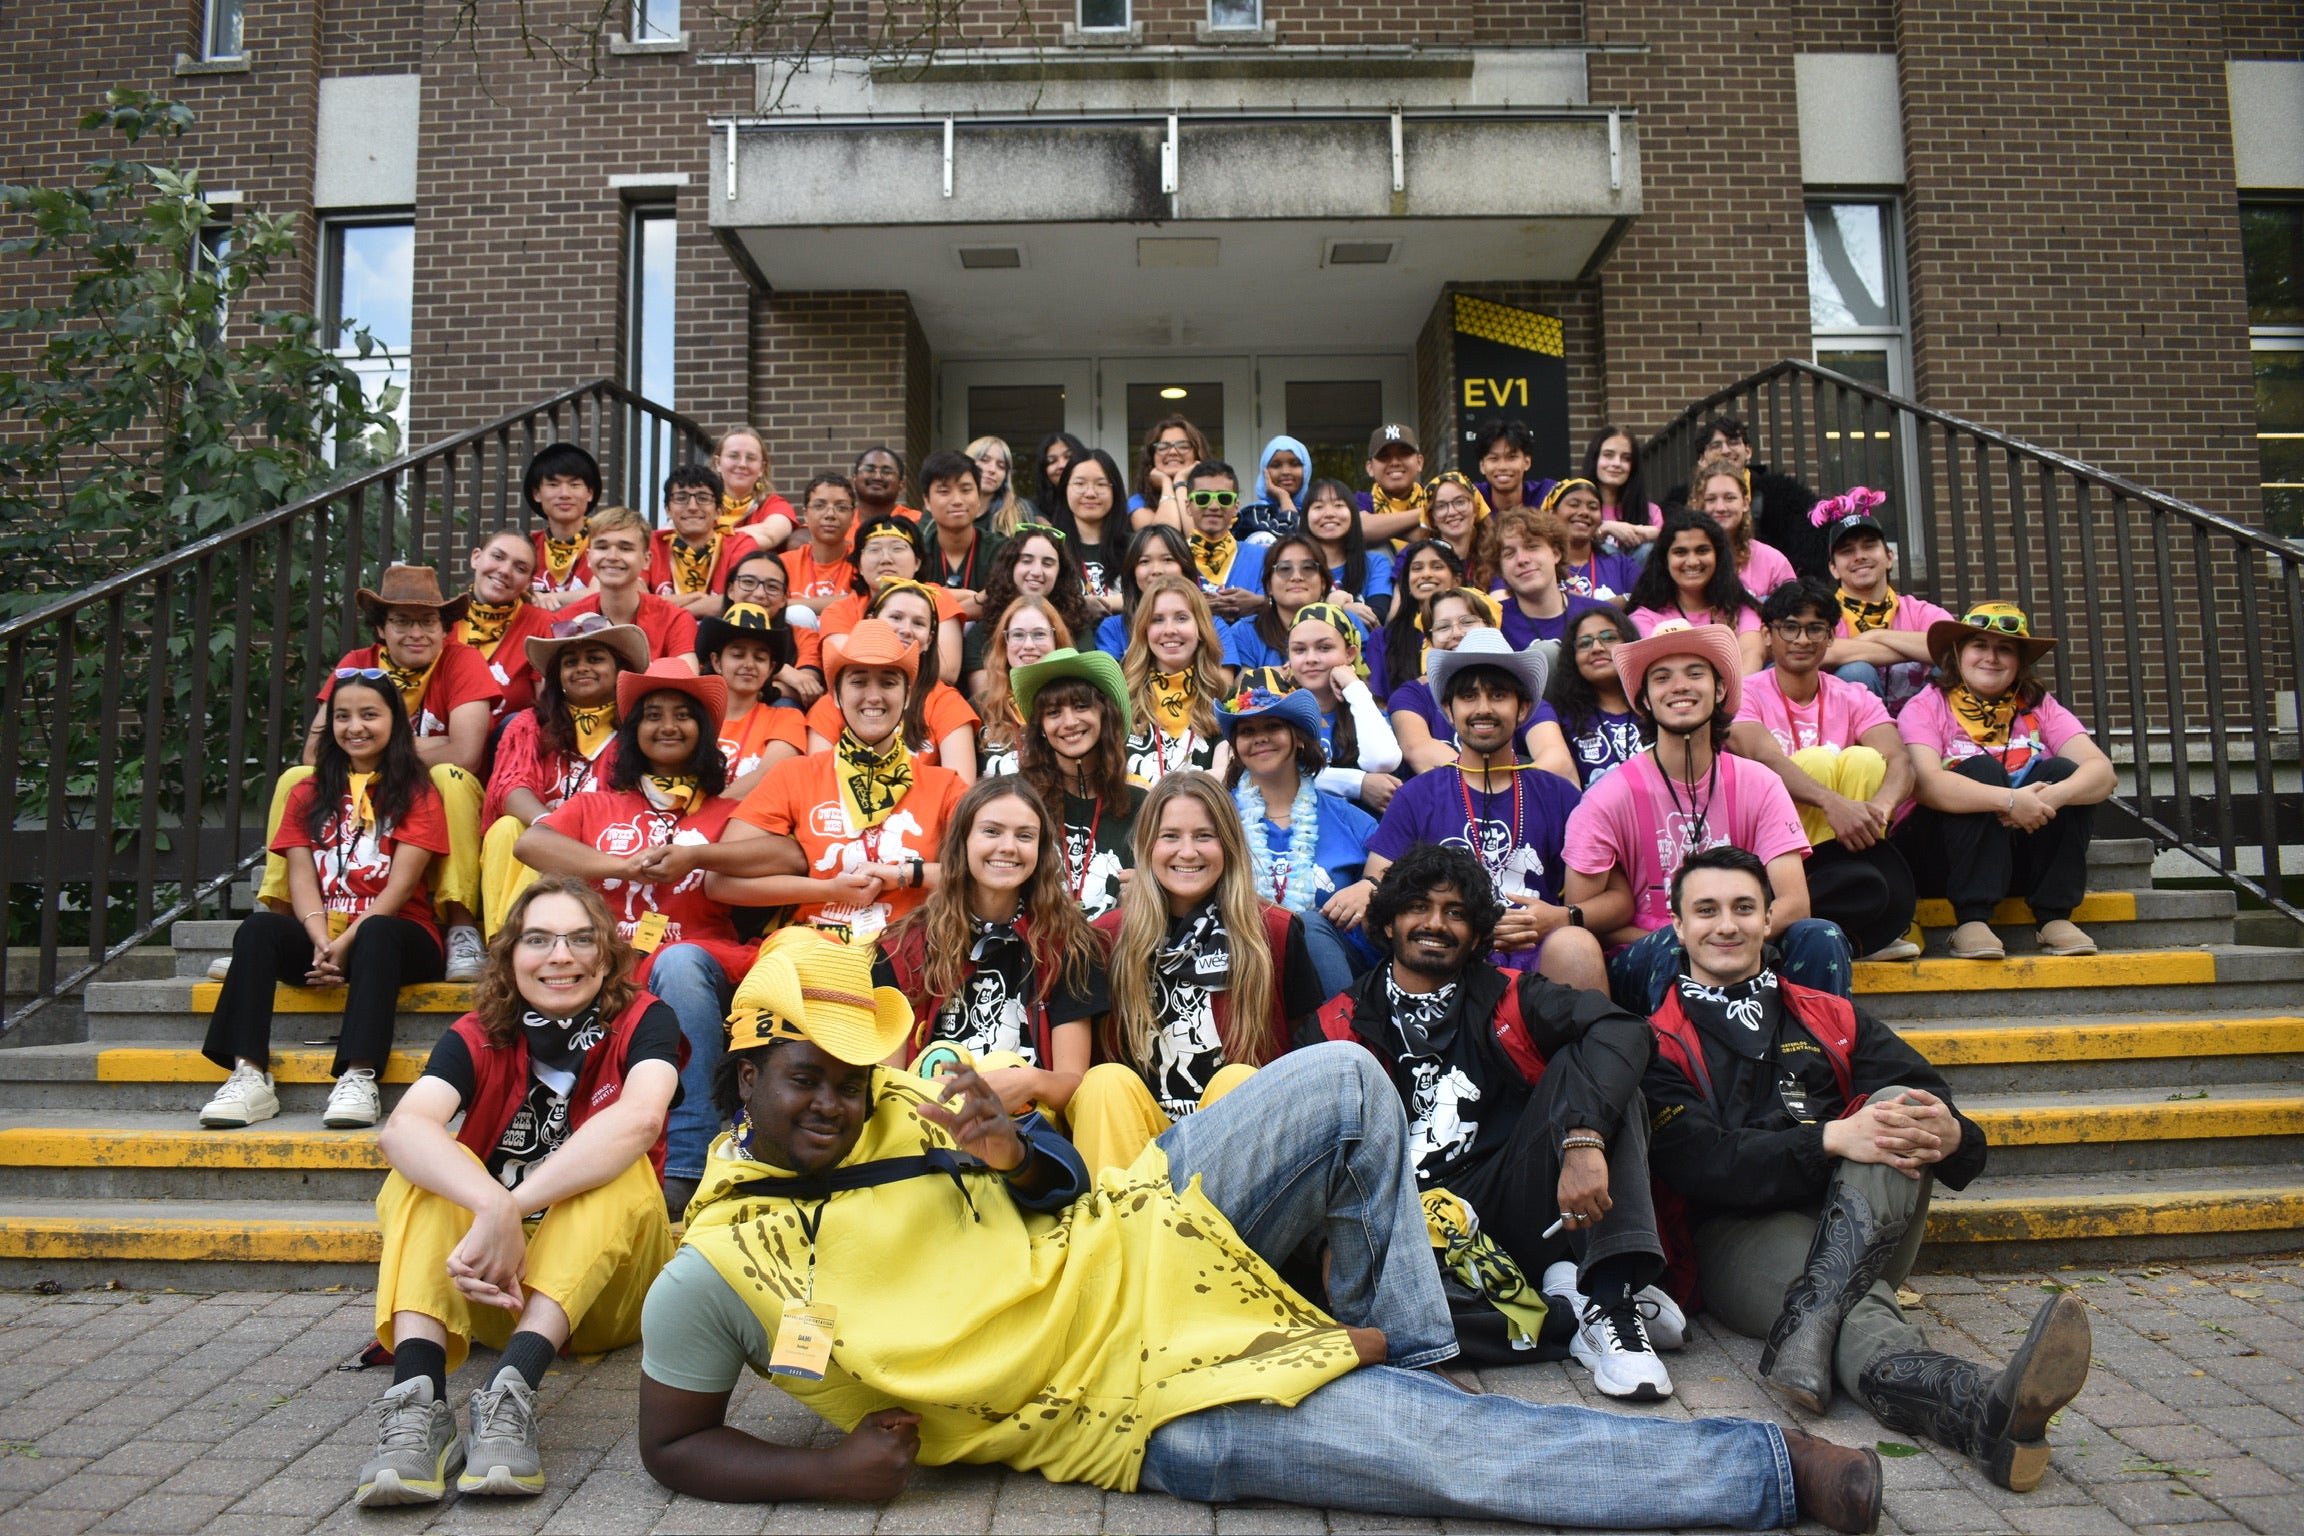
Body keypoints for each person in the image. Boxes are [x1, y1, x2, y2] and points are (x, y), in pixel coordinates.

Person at [631, 941, 1886, 1535]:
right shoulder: (718, 1269)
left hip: (1149, 1233)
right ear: (742, 1068)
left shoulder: (917, 1095)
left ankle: (1392, 1349)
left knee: (1343, 1072)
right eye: (807, 1078)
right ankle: (1775, 1474)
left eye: (852, 1077)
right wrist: (821, 1474)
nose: (838, 1104)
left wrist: (1025, 1156)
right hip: (1130, 1398)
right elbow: (674, 1445)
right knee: (1457, 1464)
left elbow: (1067, 1188)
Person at [1643, 846, 2089, 1493]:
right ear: (1678, 927)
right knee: (1858, 1307)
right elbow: (1703, 1165)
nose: (1727, 925)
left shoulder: (1830, 1017)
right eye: (1706, 910)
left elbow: (1941, 1112)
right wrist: (1829, 1138)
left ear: (1770, 918)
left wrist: (1951, 1129)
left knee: (1899, 1104)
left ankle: (1811, 1322)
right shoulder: (1658, 1042)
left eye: (1744, 907)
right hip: (1737, 1237)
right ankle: (1977, 1407)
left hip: (1866, 1219)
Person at [1307, 844, 1678, 1398]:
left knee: (1599, 1071)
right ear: (1387, 923)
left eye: (1456, 912)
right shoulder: (1335, 1023)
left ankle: (1610, 1300)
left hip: (1514, 1205)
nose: (1435, 923)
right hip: (1409, 1228)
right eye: (1418, 907)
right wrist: (1325, 1245)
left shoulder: (1511, 995)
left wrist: (1582, 1141)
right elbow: (1314, 1158)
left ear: (1480, 934)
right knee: (1391, 1325)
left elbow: (1624, 1029)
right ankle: (1569, 1308)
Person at [356, 878, 680, 1508]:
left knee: (620, 1167)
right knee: (420, 1176)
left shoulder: (645, 1019)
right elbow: (404, 1129)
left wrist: (511, 1203)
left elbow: (641, 1118)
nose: (560, 956)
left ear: (608, 954)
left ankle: (512, 1392)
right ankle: (419, 1406)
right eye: (538, 939)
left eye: (580, 938)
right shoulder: (479, 1030)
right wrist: (488, 1206)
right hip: (487, 1283)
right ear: (509, 957)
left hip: (602, 1298)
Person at [514, 660, 761, 1214]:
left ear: (703, 730)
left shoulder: (729, 812)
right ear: (632, 733)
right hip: (608, 964)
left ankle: (687, 1164)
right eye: (652, 716)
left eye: (682, 715)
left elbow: (782, 854)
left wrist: (697, 854)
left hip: (696, 965)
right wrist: (619, 866)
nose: (667, 726)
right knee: (554, 958)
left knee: (677, 962)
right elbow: (530, 846)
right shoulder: (596, 804)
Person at [1560, 622, 1853, 1013]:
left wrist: (1726, 937)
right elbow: (1589, 919)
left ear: (1719, 690)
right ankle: (1677, 1071)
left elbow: (1795, 903)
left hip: (1745, 942)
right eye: (1662, 677)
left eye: (1695, 673)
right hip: (1651, 955)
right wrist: (1698, 939)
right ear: (1644, 699)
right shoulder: (1605, 798)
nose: (1680, 686)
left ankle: (1818, 1063)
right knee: (1674, 946)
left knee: (1821, 936)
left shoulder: (1760, 783)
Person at [202, 671, 450, 1132]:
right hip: (326, 939)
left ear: (395, 722)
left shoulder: (419, 793)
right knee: (257, 929)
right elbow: (301, 879)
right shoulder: (306, 791)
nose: (355, 726)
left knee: (376, 931)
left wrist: (343, 944)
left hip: (397, 939)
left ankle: (360, 1075)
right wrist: (320, 940)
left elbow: (396, 892)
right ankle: (248, 1075)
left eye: (369, 715)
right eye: (342, 716)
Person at [1070, 772, 1329, 1172]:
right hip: (1138, 1140)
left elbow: (1306, 1057)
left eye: (1204, 836)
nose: (1187, 852)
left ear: (1228, 844)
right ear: (1146, 846)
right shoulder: (1105, 938)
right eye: (1170, 836)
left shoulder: (1275, 932)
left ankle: (1228, 1229)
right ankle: (1113, 1225)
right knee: (1103, 1082)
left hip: (1236, 1145)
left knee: (1238, 1079)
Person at [260, 564, 494, 984]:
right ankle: (280, 918)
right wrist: (398, 750)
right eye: (401, 621)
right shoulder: (357, 665)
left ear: (446, 629)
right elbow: (316, 752)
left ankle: (460, 926)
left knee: (451, 779)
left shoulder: (464, 660)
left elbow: (465, 754)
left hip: (424, 797)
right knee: (295, 778)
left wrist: (377, 748)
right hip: (364, 789)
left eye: (427, 621)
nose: (415, 633)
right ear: (381, 629)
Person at [1333, 631, 1603, 989]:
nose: (1483, 709)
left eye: (1498, 695)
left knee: (1576, 943)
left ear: (1523, 709)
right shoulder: (1418, 794)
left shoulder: (1558, 795)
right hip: (1447, 957)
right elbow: (1378, 884)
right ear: (1448, 710)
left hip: (1538, 954)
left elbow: (1617, 900)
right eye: (1468, 696)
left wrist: (1562, 917)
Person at [707, 618, 965, 942]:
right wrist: (826, 889)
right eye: (858, 682)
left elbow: (984, 872)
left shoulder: (946, 785)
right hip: (808, 952)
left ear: (909, 696)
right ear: (837, 696)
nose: (873, 696)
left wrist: (901, 875)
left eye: (887, 683)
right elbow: (720, 883)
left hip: (903, 957)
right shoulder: (796, 775)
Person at [876, 776, 1107, 1118]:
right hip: (928, 1125)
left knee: (1005, 1063)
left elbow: (1073, 1083)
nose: (1009, 846)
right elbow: (888, 1083)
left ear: (1041, 851)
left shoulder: (1069, 944)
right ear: (963, 842)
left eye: (1024, 835)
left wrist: (1029, 1082)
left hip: (1030, 1132)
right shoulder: (903, 947)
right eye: (992, 831)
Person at [1895, 603, 2115, 959]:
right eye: (1979, 646)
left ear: (2019, 662)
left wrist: (2053, 797)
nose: (1991, 658)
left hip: (2015, 852)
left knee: (2062, 772)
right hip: (1942, 858)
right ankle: (1971, 920)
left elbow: (2102, 773)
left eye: (2005, 649)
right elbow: (1925, 784)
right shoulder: (1926, 706)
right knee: (1981, 770)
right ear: (1959, 654)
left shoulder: (2038, 705)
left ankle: (2054, 917)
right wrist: (2009, 800)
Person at [1731, 579, 1920, 961]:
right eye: (1790, 627)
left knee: (1867, 760)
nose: (1803, 639)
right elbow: (1762, 756)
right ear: (1767, 635)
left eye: (1815, 628)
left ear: (1830, 638)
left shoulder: (1853, 694)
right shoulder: (1744, 693)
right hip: (1769, 850)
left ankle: (1858, 902)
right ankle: (1821, 902)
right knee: (1814, 762)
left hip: (1851, 849)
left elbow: (1900, 761)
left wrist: (1879, 809)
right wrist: (1832, 802)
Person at [477, 616, 648, 932]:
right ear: (558, 677)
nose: (582, 667)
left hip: (606, 851)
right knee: (506, 829)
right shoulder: (530, 723)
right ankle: (508, 942)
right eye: (571, 662)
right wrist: (550, 828)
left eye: (595, 659)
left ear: (619, 670)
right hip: (537, 847)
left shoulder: (639, 729)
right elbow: (510, 785)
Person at [1218, 683, 1379, 994]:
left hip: (1336, 977)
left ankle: (1339, 1037)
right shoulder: (1215, 817)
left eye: (1273, 726)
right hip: (1245, 973)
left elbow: (1399, 873)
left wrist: (1371, 886)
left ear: (1300, 739)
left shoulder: (1348, 818)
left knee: (1309, 925)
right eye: (1247, 730)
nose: (1260, 737)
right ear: (1236, 747)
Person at [1011, 647, 1146, 920]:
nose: (1069, 722)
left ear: (1104, 715)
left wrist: (1149, 891)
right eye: (1053, 712)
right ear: (1041, 729)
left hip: (1118, 952)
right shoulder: (1017, 800)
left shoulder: (1141, 804)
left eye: (1081, 706)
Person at [812, 578, 979, 779]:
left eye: (918, 623)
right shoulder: (837, 698)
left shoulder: (946, 702)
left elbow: (960, 789)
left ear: (929, 639)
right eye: (896, 617)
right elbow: (817, 783)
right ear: (870, 621)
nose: (906, 629)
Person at [1816, 490, 1952, 711]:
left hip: (1924, 722)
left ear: (1890, 558)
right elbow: (1821, 652)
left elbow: (1953, 647)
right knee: (1856, 671)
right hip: (1856, 736)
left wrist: (1877, 634)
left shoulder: (1919, 612)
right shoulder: (1822, 615)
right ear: (1834, 569)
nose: (1859, 556)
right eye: (1847, 551)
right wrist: (1917, 646)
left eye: (1869, 546)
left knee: (1949, 667)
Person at [1282, 601, 1402, 813]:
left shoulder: (1366, 710)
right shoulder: (1276, 715)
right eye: (1299, 650)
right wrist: (1358, 784)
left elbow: (1383, 761)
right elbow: (1273, 776)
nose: (1311, 659)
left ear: (1350, 653)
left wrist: (1355, 687)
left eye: (1325, 648)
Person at [555, 506, 700, 671]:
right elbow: (552, 690)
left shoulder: (675, 620)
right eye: (602, 547)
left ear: (646, 560)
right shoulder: (565, 620)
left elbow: (687, 683)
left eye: (625, 548)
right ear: (589, 557)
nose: (612, 557)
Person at [1623, 509, 1765, 674]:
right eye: (1680, 552)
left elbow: (1751, 656)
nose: (1692, 561)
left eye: (1702, 550)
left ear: (1718, 556)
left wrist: (1727, 698)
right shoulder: (1644, 617)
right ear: (1664, 560)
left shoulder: (1740, 609)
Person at [1121, 574, 1232, 784]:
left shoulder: (1226, 701)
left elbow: (1224, 774)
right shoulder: (1119, 701)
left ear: (1200, 627)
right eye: (1157, 620)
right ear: (1144, 630)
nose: (1169, 630)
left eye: (1181, 618)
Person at [1686, 416, 1828, 576]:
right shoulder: (1680, 502)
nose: (1726, 450)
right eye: (1716, 445)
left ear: (1748, 451)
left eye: (1733, 443)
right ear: (1701, 458)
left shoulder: (1784, 496)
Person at [966, 522, 1098, 690]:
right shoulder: (981, 633)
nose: (1036, 571)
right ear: (1010, 566)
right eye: (1026, 561)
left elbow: (1079, 689)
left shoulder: (1077, 627)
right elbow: (986, 701)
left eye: (1048, 563)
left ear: (1060, 573)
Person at [695, 602, 808, 799]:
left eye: (760, 658)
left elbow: (768, 776)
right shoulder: (693, 716)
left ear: (771, 669)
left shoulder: (786, 718)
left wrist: (706, 815)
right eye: (738, 655)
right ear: (716, 662)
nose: (749, 664)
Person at [455, 529, 557, 721]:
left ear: (528, 583)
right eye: (497, 557)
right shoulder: (441, 622)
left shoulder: (541, 625)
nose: (504, 571)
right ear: (475, 558)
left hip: (506, 746)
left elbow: (548, 714)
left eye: (520, 569)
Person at [1548, 604, 1649, 788]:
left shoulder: (1656, 706)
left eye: (1609, 637)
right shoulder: (1563, 720)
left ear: (1630, 644)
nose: (1596, 648)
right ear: (1573, 658)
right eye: (1584, 643)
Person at [1222, 531, 1349, 672]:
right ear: (1269, 585)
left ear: (1324, 583)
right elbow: (1240, 688)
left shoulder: (1348, 623)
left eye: (1308, 568)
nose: (1296, 577)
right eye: (1284, 569)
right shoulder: (1244, 632)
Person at [974, 596, 1073, 775]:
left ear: (1056, 640)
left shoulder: (1078, 704)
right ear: (1005, 644)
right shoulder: (979, 708)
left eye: (1039, 634)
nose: (1028, 645)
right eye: (1018, 635)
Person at [647, 462, 757, 619]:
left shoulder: (740, 544)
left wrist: (663, 611)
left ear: (719, 511)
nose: (692, 507)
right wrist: (696, 598)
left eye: (703, 498)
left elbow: (742, 600)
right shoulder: (650, 544)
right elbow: (634, 602)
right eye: (681, 498)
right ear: (668, 510)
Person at [718, 549, 823, 708]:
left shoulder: (802, 636)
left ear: (784, 599)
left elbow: (808, 689)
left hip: (778, 720)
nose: (760, 593)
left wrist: (761, 691)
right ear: (731, 590)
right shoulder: (712, 633)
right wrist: (782, 672)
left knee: (785, 703)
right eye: (748, 582)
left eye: (772, 587)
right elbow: (710, 687)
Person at [1376, 538, 1467, 710]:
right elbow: (1380, 705)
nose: (1425, 574)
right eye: (1417, 568)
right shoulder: (1383, 637)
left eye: (1437, 566)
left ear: (1457, 580)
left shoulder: (1473, 630)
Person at [1688, 457, 1799, 597]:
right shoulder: (1683, 561)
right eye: (1710, 499)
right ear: (1696, 505)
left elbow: (1792, 613)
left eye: (1730, 498)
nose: (1720, 508)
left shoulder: (1772, 562)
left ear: (1746, 503)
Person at [1494, 505, 1598, 649]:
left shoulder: (1600, 616)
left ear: (1556, 553)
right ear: (1500, 569)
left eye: (1532, 547)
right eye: (1509, 553)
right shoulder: (1493, 625)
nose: (1522, 559)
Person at [918, 448, 1002, 623]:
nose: (957, 500)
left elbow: (1005, 600)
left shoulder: (1002, 550)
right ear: (926, 501)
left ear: (979, 497)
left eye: (965, 490)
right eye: (944, 492)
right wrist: (975, 599)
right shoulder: (915, 554)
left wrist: (936, 606)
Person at [1179, 459, 1267, 620]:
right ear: (1188, 506)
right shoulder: (1173, 558)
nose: (1213, 506)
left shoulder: (1263, 557)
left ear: (1236, 507)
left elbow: (1289, 607)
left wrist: (1261, 603)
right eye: (1203, 498)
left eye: (1224, 498)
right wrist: (1192, 605)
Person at [1090, 522, 1193, 657]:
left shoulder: (1212, 625)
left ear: (1185, 568)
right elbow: (1110, 678)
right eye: (1144, 561)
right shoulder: (1112, 629)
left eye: (1168, 559)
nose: (1156, 570)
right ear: (1132, 572)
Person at [1302, 475, 1393, 626]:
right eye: (1318, 507)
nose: (1329, 513)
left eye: (1338, 505)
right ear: (1305, 517)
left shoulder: (1376, 563)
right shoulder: (1294, 567)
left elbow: (1376, 616)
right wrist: (1342, 607)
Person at [1047, 448, 1131, 609]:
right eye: (1080, 484)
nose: (1091, 493)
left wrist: (1093, 604)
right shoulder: (1049, 545)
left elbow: (1148, 595)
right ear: (1065, 489)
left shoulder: (1135, 545)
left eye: (1101, 484)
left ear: (1115, 491)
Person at [523, 442, 598, 610]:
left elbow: (603, 593)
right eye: (553, 485)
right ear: (537, 494)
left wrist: (546, 598)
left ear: (590, 493)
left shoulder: (606, 540)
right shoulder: (526, 546)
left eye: (574, 485)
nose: (564, 494)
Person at [1543, 477, 1641, 605]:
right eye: (1574, 505)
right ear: (1552, 513)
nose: (1584, 512)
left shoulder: (1622, 566)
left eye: (1593, 507)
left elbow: (1651, 597)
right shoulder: (1538, 566)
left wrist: (1626, 599)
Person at [781, 474, 860, 615]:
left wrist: (788, 604)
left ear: (852, 516)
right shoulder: (784, 564)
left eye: (841, 507)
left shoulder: (864, 560)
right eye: (819, 506)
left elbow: (866, 601)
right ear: (805, 514)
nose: (830, 514)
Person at [1584, 425, 1663, 554]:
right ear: (1595, 459)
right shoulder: (1578, 511)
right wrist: (1605, 529)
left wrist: (1657, 535)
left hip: (1639, 573)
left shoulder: (1651, 512)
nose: (1616, 463)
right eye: (1608, 455)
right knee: (1607, 551)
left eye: (1626, 458)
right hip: (1593, 573)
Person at [712, 427, 796, 545]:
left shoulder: (774, 505)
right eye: (733, 456)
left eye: (751, 458)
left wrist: (710, 542)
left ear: (762, 468)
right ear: (718, 463)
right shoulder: (701, 503)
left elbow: (771, 534)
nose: (742, 464)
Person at [1419, 471, 1499, 591]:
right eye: (1441, 506)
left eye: (1460, 502)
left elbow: (1501, 602)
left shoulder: (1495, 556)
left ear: (1475, 509)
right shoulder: (1413, 556)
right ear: (1432, 519)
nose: (1452, 512)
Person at [1128, 413, 1212, 523]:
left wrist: (1180, 481)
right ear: (1152, 456)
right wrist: (1166, 483)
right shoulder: (1138, 502)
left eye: (1183, 446)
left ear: (1198, 454)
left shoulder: (1215, 498)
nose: (1172, 452)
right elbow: (1164, 537)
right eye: (1163, 447)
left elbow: (1196, 537)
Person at [1358, 422, 1429, 545]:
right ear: (1370, 468)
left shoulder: (1434, 494)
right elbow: (1360, 527)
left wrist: (1381, 530)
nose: (1395, 462)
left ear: (1419, 462)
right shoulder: (1361, 501)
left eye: (1404, 453)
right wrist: (1428, 511)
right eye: (1384, 456)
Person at [1236, 432, 1310, 543]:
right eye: (1276, 465)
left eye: (1294, 464)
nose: (1285, 472)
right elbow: (1288, 540)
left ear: (1306, 469)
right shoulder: (1254, 514)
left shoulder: (1314, 513)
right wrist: (1283, 497)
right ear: (1264, 471)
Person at [1471, 417, 1538, 516]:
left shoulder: (1545, 496)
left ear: (1527, 462)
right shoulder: (1472, 498)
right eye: (1494, 458)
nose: (1502, 466)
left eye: (1511, 457)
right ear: (1482, 466)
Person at [966, 434, 1031, 536]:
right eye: (984, 460)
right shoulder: (951, 506)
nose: (992, 469)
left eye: (1001, 466)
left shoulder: (1019, 512)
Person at [849, 445, 918, 526]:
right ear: (854, 481)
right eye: (869, 470)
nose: (877, 477)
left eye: (887, 472)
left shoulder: (917, 522)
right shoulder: (841, 524)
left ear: (901, 486)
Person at [1031, 430, 1086, 515]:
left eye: (1068, 457)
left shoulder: (1097, 499)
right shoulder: (1036, 512)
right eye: (1052, 461)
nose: (1062, 465)